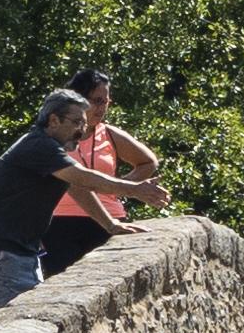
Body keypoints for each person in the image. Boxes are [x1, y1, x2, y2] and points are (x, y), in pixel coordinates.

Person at [0, 90, 152, 318]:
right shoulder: (39, 146)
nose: (82, 131)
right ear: (54, 120)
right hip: (1, 250)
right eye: (76, 122)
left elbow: (77, 187)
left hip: (17, 250)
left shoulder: (49, 151)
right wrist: (134, 189)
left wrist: (110, 224)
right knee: (1, 324)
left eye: (84, 124)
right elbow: (85, 178)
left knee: (24, 318)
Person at [41, 67, 166, 274]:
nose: (101, 108)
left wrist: (116, 189)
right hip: (60, 223)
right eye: (96, 101)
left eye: (105, 101)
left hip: (110, 219)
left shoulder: (109, 134)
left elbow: (148, 162)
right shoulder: (56, 135)